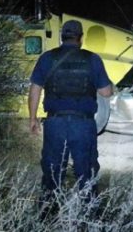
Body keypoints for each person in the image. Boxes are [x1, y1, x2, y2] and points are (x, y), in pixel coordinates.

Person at [28, 19, 113, 201]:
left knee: (52, 173)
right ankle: (88, 217)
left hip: (54, 124)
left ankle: (49, 216)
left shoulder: (47, 57)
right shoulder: (93, 59)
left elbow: (35, 88)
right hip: (83, 125)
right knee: (86, 174)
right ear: (80, 38)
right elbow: (106, 92)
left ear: (62, 37)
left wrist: (32, 118)